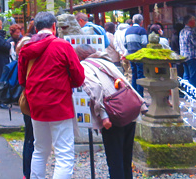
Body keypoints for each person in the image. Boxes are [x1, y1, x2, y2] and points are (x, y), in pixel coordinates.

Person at [18, 11, 85, 179]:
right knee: (64, 153)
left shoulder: (26, 49)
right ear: (54, 27)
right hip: (60, 105)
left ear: (36, 28)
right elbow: (79, 78)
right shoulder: (63, 46)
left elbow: (21, 80)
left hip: (36, 106)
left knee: (40, 149)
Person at [76, 44, 142, 179]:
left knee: (115, 159)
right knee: (126, 158)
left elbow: (95, 88)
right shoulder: (105, 60)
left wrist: (103, 116)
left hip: (113, 114)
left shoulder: (84, 67)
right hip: (129, 109)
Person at [15, 31, 34, 179]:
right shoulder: (31, 61)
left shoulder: (20, 60)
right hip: (32, 100)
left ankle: (27, 173)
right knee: (32, 139)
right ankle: (29, 172)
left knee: (29, 137)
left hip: (25, 100)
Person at [124, 14, 148, 96]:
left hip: (131, 55)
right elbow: (144, 43)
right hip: (139, 55)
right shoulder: (142, 30)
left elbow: (125, 44)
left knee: (134, 73)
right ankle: (140, 94)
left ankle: (134, 94)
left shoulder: (127, 31)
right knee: (140, 73)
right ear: (142, 22)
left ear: (133, 21)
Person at [180, 14, 196, 89]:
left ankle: (187, 92)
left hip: (183, 56)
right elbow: (195, 43)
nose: (195, 22)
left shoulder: (182, 31)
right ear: (190, 22)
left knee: (186, 75)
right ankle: (193, 93)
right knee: (193, 76)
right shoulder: (191, 31)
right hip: (192, 56)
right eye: (194, 20)